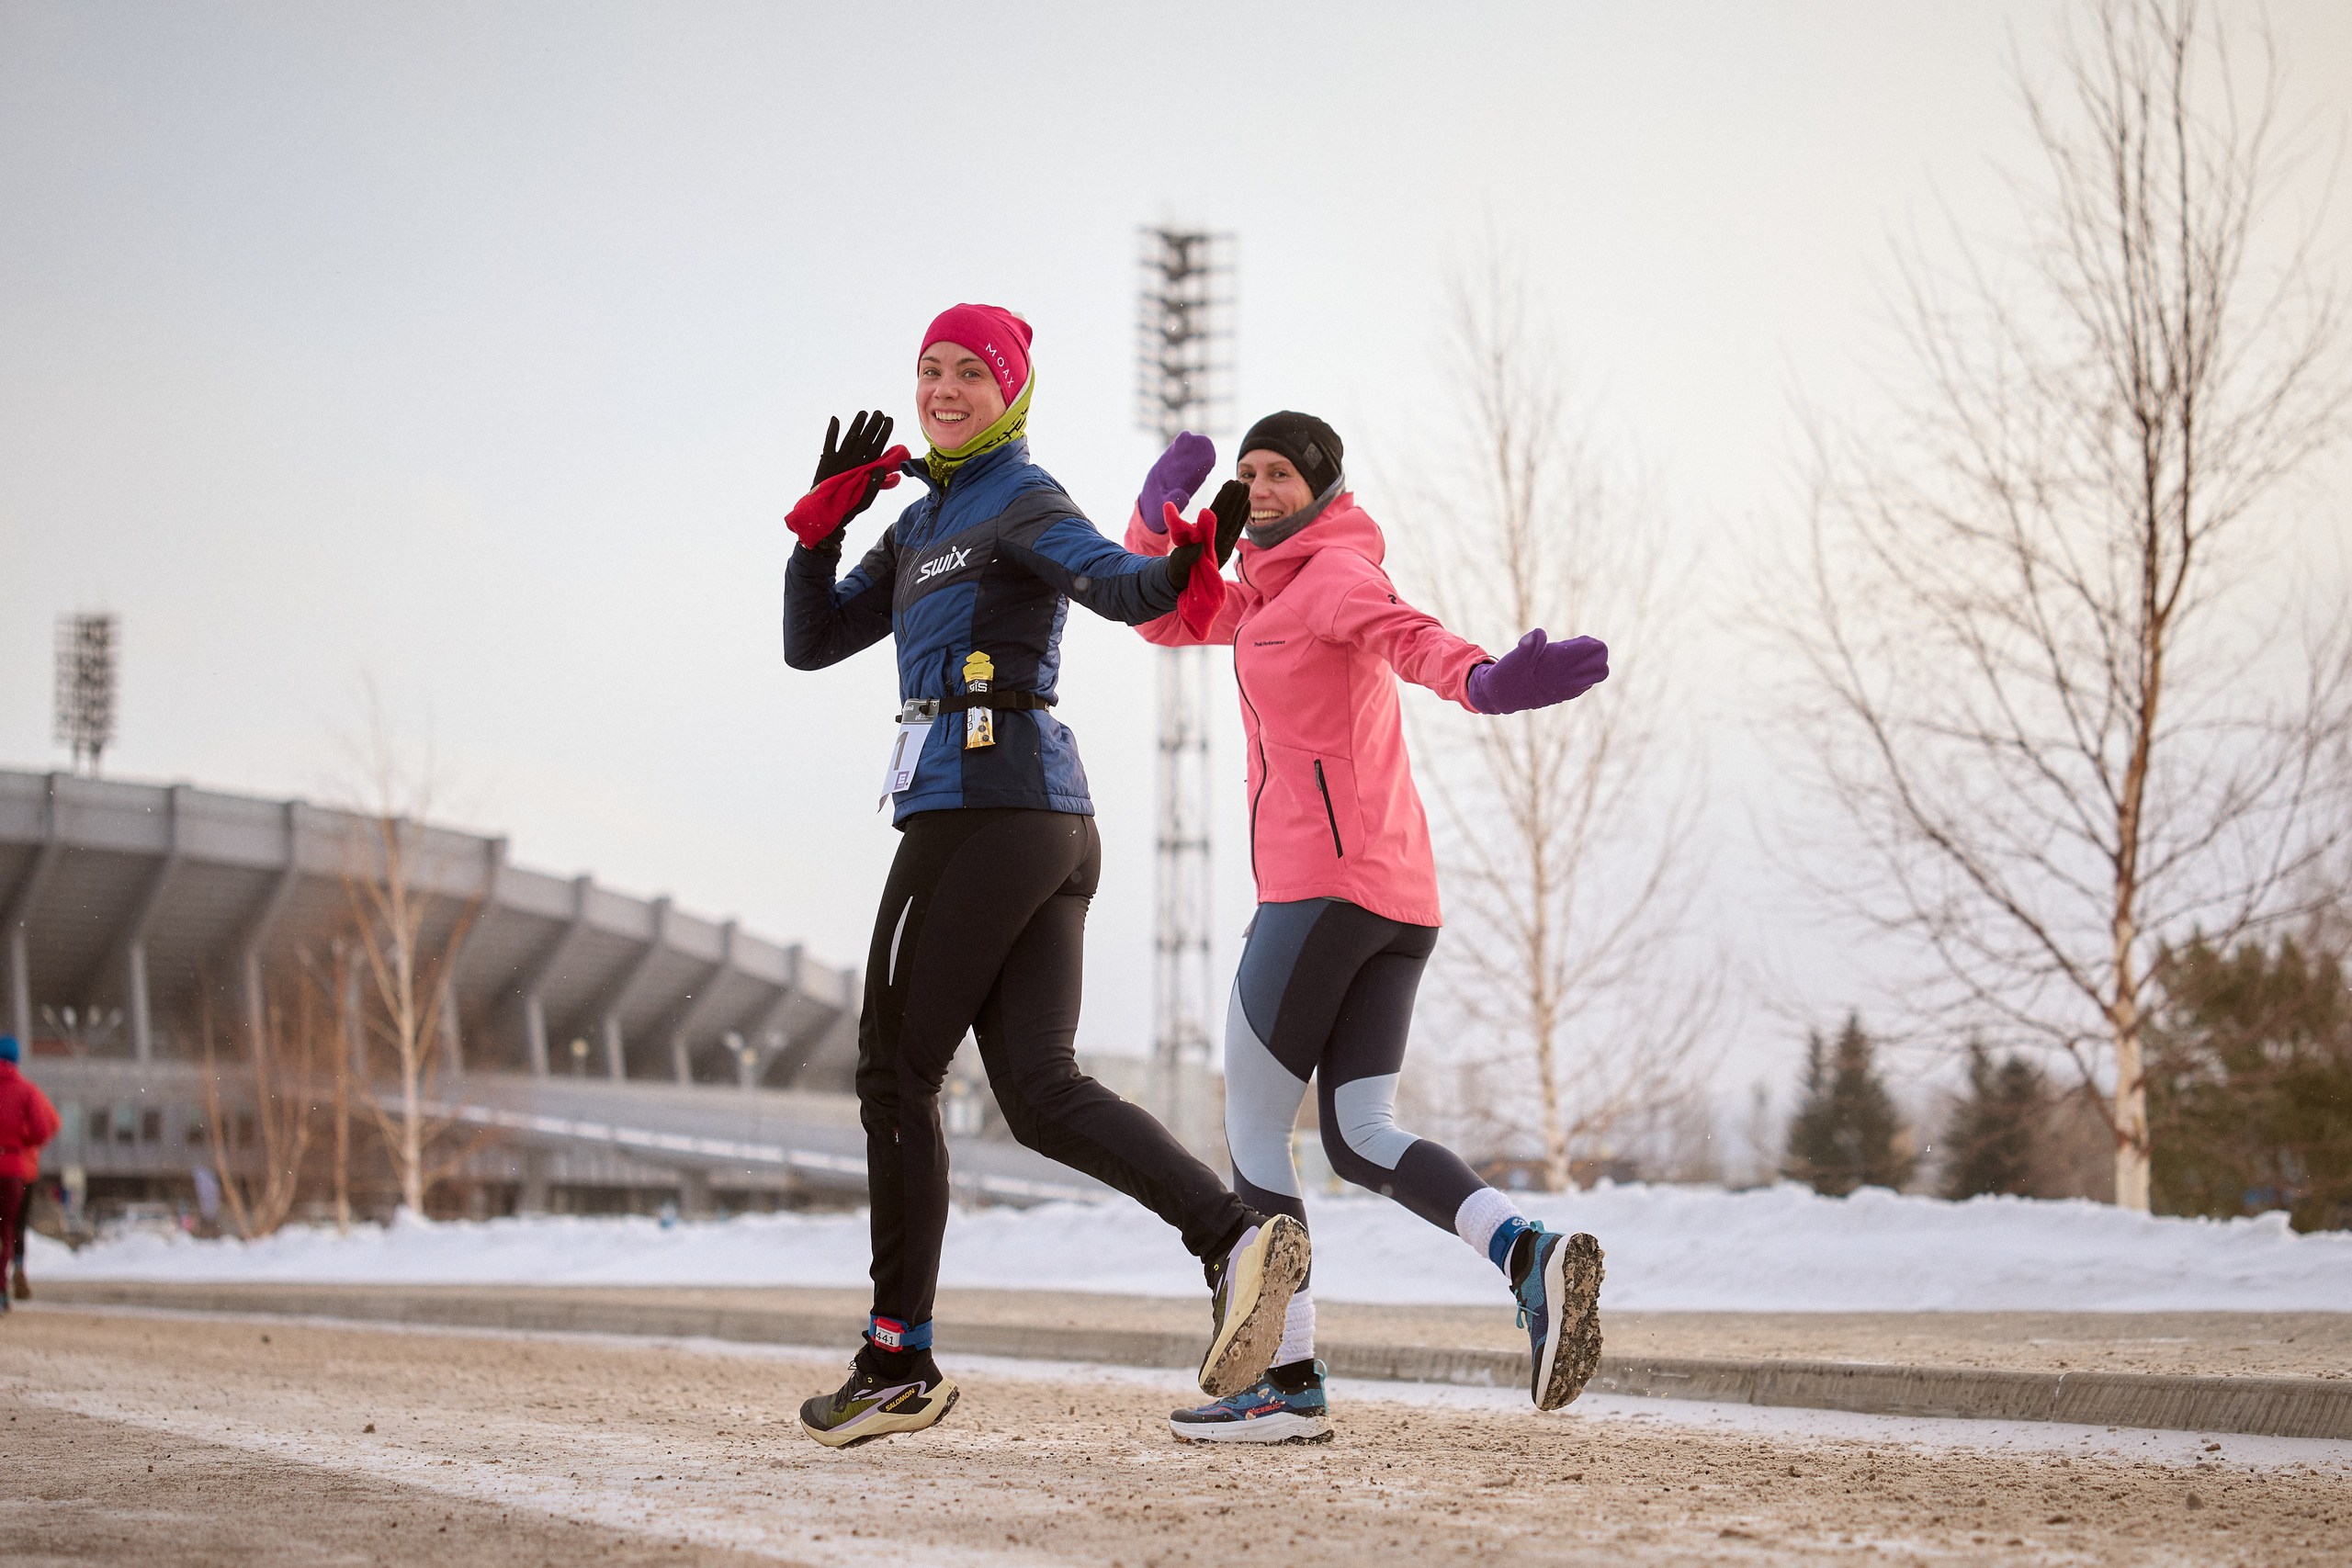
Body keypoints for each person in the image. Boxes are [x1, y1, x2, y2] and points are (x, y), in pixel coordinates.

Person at [780, 305, 1309, 1448]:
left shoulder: (1019, 495)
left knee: (894, 1074)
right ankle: (1232, 1238)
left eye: (971, 372)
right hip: (1031, 822)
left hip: (989, 809)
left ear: (1011, 390)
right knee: (1037, 1091)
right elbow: (811, 641)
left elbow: (1122, 588)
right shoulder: (919, 522)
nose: (944, 390)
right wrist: (818, 533)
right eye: (930, 369)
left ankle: (896, 1359)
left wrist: (1184, 559)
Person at [1124, 415, 1611, 1444]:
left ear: (1324, 486)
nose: (1261, 488)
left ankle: (1286, 1381)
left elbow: (1410, 637)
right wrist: (1155, 517)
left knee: (1255, 1129)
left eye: (1281, 473)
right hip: (1396, 901)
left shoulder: (1335, 576)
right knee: (1359, 1134)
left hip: (1321, 892)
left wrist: (1487, 679)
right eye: (1248, 473)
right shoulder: (1256, 595)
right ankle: (1527, 1254)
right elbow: (1161, 617)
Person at [0, 1034, 61, 1313]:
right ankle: (11, 1276)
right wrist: (21, 1141)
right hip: (18, 1169)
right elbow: (47, 1127)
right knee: (12, 1228)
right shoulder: (28, 1091)